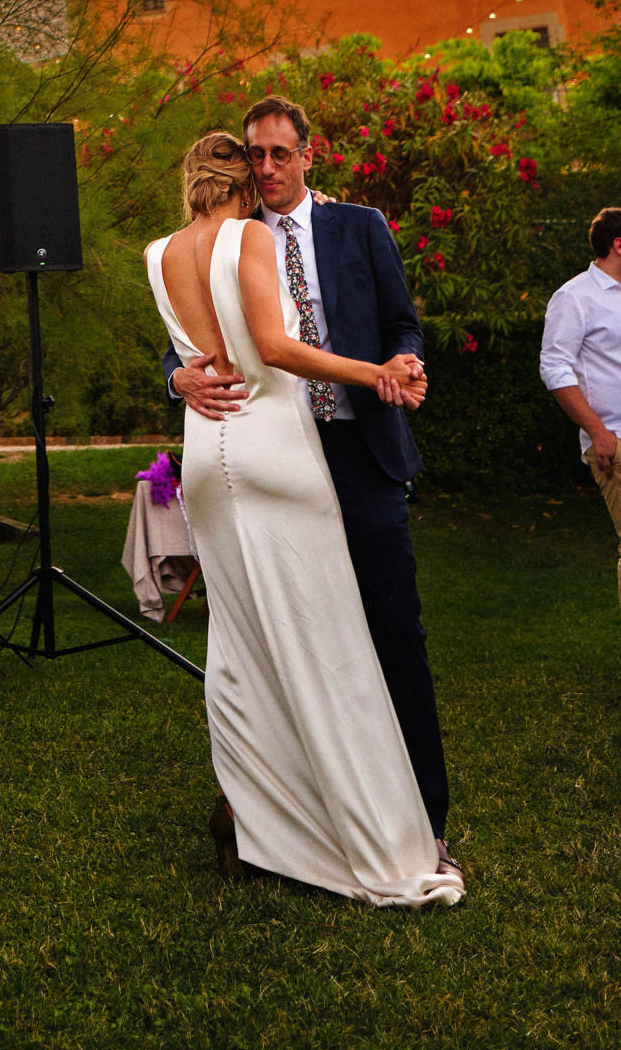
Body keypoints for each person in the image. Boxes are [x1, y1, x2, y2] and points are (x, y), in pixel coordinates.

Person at [146, 134, 461, 906]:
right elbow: (274, 346)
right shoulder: (251, 235)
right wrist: (375, 373)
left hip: (208, 457)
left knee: (239, 649)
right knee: (327, 647)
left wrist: (189, 371)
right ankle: (362, 831)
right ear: (241, 182)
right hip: (278, 452)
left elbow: (198, 344)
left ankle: (256, 822)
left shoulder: (156, 252)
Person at [540, 204, 621, 610]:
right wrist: (599, 432)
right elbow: (555, 369)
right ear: (619, 245)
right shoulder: (574, 298)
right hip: (614, 441)